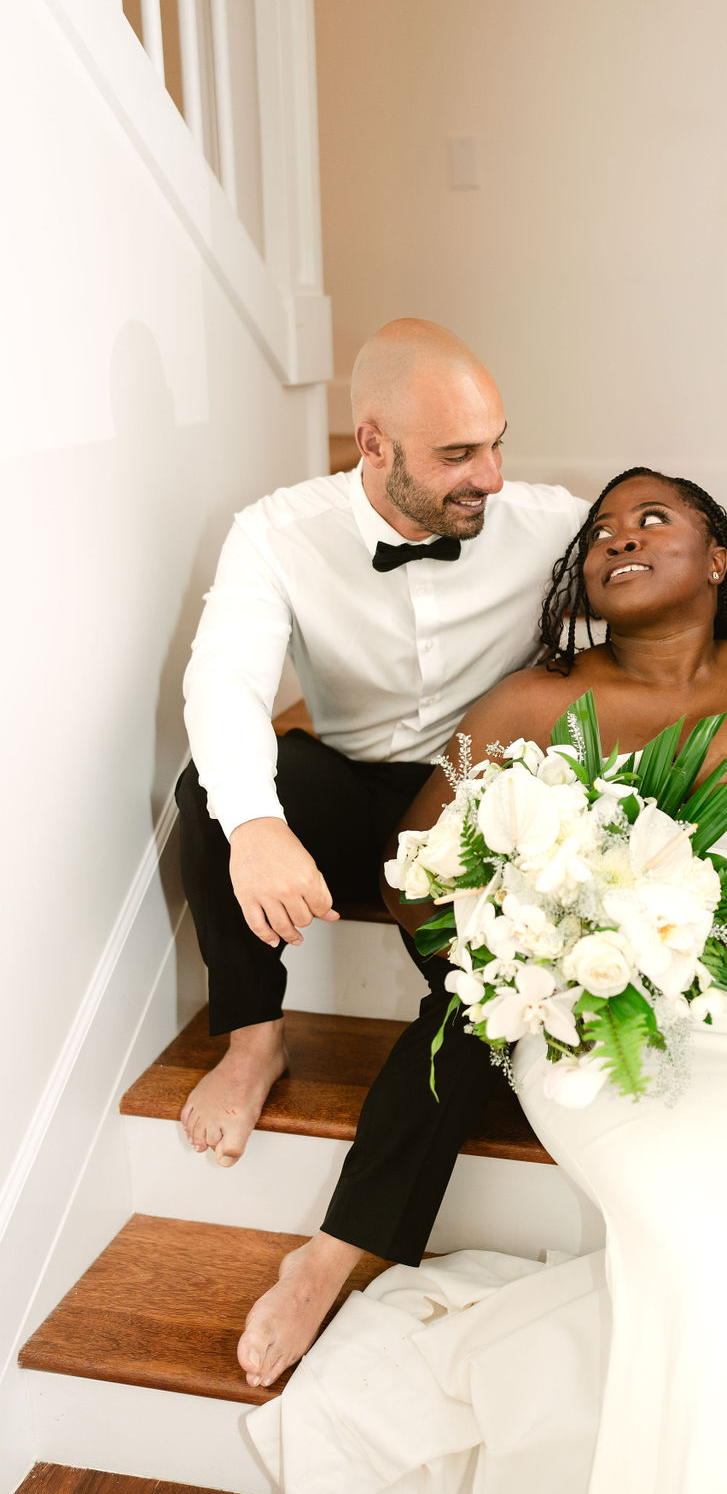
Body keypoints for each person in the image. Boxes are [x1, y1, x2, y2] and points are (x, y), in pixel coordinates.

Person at [248, 468, 727, 1493]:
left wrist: (690, 946)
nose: (618, 539)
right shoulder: (534, 699)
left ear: (716, 558)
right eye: (598, 532)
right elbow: (415, 872)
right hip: (598, 1027)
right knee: (714, 1249)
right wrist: (529, 952)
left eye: (652, 519)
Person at [175, 318, 588, 1388]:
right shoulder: (276, 531)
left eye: (497, 443)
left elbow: (667, 589)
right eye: (458, 455)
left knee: (488, 996)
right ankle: (253, 1039)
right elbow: (222, 681)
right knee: (214, 791)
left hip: (475, 805)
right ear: (371, 445)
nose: (490, 477)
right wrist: (259, 826)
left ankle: (336, 1251)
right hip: (351, 783)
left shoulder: (547, 524)